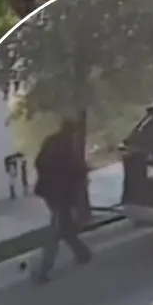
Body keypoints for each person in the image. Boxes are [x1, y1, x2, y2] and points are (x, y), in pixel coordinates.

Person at [32, 117, 93, 282]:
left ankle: (83, 253)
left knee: (64, 225)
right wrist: (85, 171)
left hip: (48, 192)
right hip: (60, 194)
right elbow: (74, 171)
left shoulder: (50, 141)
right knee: (56, 231)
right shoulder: (67, 148)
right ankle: (42, 271)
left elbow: (37, 162)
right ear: (72, 133)